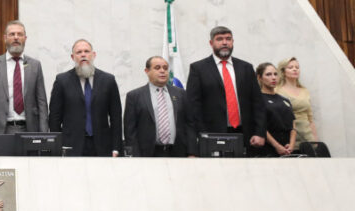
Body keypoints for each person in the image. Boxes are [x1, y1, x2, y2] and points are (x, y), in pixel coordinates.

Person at [186, 26, 266, 156]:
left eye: (228, 39)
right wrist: (203, 135)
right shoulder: (198, 69)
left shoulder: (246, 68)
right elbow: (194, 106)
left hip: (246, 135)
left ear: (233, 42)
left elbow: (258, 103)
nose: (224, 42)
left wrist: (260, 132)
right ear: (211, 43)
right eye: (220, 39)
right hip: (213, 134)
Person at [48, 39, 122, 157]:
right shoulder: (62, 81)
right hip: (71, 146)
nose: (83, 54)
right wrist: (58, 146)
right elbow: (54, 118)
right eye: (79, 52)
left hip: (102, 146)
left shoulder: (108, 80)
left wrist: (116, 148)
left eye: (86, 51)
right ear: (73, 57)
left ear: (93, 55)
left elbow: (116, 117)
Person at [0, 20, 48, 134]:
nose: (16, 37)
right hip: (2, 131)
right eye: (12, 34)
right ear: (5, 38)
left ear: (25, 38)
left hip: (30, 130)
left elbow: (42, 103)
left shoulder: (35, 65)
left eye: (20, 34)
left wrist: (43, 134)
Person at [123, 56, 196, 157]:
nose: (162, 71)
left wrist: (192, 152)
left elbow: (190, 124)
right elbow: (130, 130)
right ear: (147, 71)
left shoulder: (181, 94)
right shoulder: (134, 96)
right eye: (157, 68)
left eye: (165, 68)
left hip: (178, 153)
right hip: (147, 155)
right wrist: (135, 156)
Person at [256, 62, 296, 156]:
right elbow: (260, 128)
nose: (273, 77)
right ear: (259, 78)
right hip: (267, 150)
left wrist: (292, 145)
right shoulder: (257, 100)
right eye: (268, 74)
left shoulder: (285, 100)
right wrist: (277, 146)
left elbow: (293, 126)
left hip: (287, 149)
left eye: (275, 74)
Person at [276, 57, 316, 149]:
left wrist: (315, 140)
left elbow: (310, 118)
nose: (295, 69)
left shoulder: (304, 90)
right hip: (287, 136)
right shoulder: (277, 91)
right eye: (290, 67)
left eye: (297, 67)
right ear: (283, 71)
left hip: (307, 135)